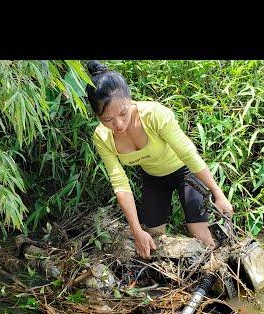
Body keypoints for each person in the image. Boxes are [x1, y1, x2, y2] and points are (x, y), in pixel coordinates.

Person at [86, 60, 233, 259]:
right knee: (154, 239)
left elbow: (188, 154)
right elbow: (120, 184)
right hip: (153, 177)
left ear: (130, 99)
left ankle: (218, 268)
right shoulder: (102, 137)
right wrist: (137, 231)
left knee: (201, 236)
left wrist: (218, 193)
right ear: (97, 116)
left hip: (185, 172)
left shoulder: (154, 114)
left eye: (123, 113)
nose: (118, 124)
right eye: (107, 120)